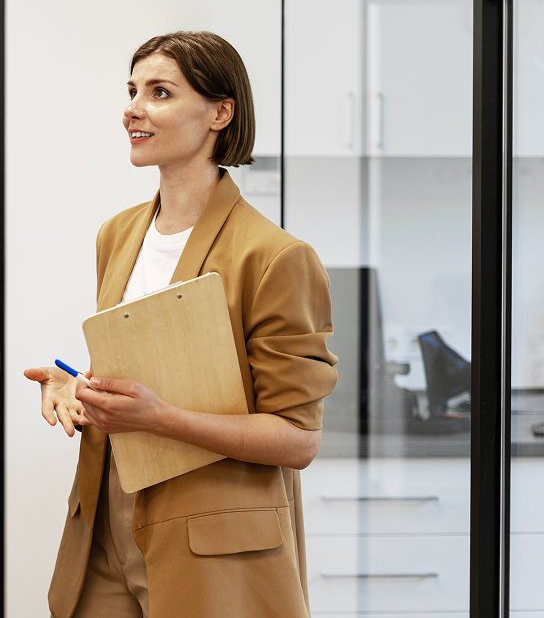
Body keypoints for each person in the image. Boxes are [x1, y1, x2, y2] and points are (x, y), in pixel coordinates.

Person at [25, 31, 338, 618]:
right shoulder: (117, 235)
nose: (133, 108)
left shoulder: (274, 256)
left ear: (221, 112)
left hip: (214, 538)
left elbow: (298, 439)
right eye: (132, 90)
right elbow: (162, 369)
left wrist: (159, 418)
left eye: (160, 92)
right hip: (107, 517)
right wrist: (81, 387)